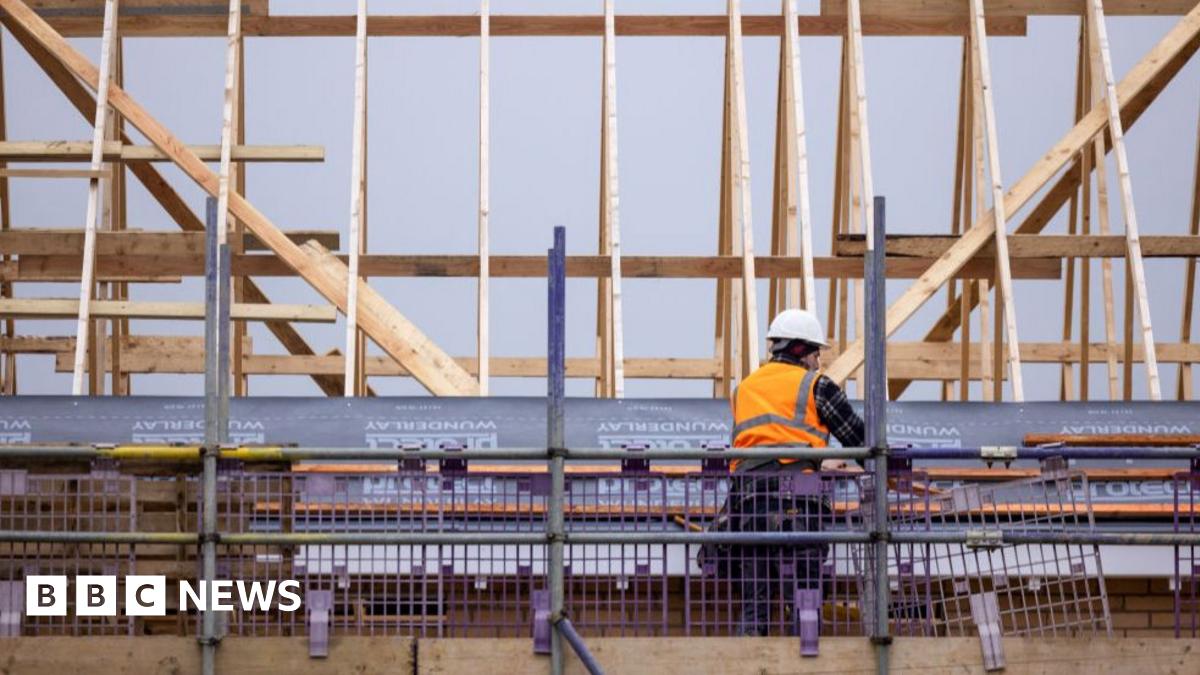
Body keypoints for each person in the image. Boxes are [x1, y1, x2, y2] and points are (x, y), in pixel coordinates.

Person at [727, 308, 865, 636]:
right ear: (802, 351)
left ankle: (749, 663)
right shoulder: (815, 385)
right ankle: (805, 661)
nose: (818, 362)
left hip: (750, 502)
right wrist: (890, 470)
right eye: (816, 353)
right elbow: (862, 440)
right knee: (804, 597)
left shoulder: (744, 388)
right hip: (799, 499)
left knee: (755, 601)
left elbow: (754, 447)